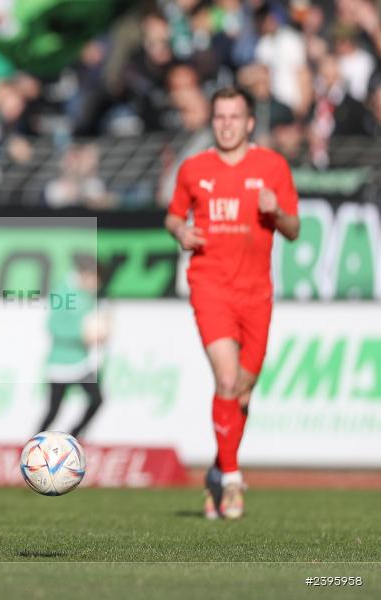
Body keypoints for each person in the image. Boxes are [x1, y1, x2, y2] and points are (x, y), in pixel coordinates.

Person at [165, 87, 299, 520]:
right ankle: (234, 480)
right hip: (210, 287)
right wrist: (181, 233)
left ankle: (217, 472)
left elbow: (294, 228)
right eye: (219, 116)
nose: (226, 124)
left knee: (241, 391)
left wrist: (276, 212)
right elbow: (173, 215)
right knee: (226, 380)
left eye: (234, 117)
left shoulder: (272, 166)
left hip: (257, 295)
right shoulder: (194, 168)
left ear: (249, 122)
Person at [37, 256, 107, 439]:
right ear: (85, 275)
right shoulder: (63, 292)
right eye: (94, 279)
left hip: (81, 362)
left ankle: (74, 436)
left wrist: (101, 334)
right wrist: (82, 335)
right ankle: (33, 445)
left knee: (97, 399)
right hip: (61, 363)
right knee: (53, 411)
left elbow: (92, 323)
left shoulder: (89, 295)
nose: (96, 284)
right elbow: (53, 326)